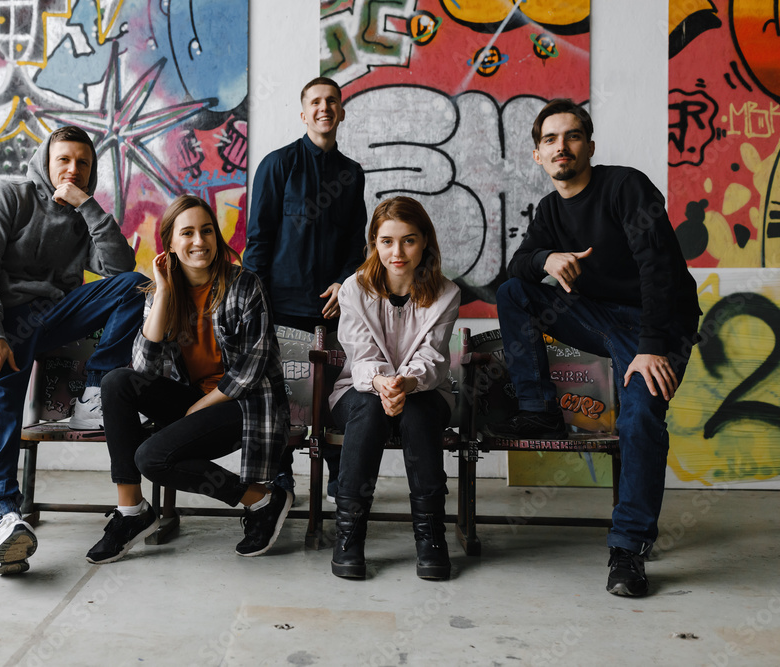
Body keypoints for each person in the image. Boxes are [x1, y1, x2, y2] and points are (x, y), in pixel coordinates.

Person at [491, 99, 700, 597]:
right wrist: (547, 256)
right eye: (549, 140)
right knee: (514, 293)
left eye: (572, 136)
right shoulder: (549, 210)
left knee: (640, 418)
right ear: (537, 155)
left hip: (658, 327)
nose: (561, 146)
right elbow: (517, 267)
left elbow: (660, 267)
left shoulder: (626, 186)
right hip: (599, 320)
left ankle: (628, 550)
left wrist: (652, 347)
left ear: (589, 145)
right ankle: (539, 409)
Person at [0, 126, 147, 574]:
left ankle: (93, 392)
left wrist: (88, 207)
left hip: (49, 317)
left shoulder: (82, 213)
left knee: (135, 288)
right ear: (45, 160)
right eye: (64, 160)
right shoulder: (8, 194)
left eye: (83, 163)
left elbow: (120, 268)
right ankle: (5, 517)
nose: (72, 170)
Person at [87, 194, 292, 563]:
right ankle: (131, 511)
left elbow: (250, 369)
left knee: (151, 457)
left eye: (207, 231)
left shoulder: (245, 285)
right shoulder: (161, 292)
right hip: (195, 403)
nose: (199, 241)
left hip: (244, 406)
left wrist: (198, 406)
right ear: (170, 244)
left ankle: (262, 500)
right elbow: (144, 372)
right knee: (116, 382)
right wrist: (164, 291)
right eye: (188, 233)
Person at [244, 76, 368, 500]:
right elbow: (258, 241)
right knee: (281, 398)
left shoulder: (352, 174)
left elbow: (358, 246)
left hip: (336, 309)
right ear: (303, 113)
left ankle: (338, 475)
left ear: (341, 111)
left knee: (335, 393)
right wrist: (255, 306)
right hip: (281, 307)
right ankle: (280, 476)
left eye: (331, 101)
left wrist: (345, 282)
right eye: (315, 102)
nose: (324, 108)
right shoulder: (277, 165)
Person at [328, 196, 461, 581]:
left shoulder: (447, 293)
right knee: (369, 408)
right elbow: (359, 354)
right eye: (387, 241)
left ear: (425, 242)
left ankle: (431, 537)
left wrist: (407, 382)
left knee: (418, 411)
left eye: (409, 240)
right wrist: (383, 382)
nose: (397, 252)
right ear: (374, 243)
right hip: (359, 388)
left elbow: (435, 359)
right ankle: (349, 537)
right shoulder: (353, 289)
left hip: (424, 389)